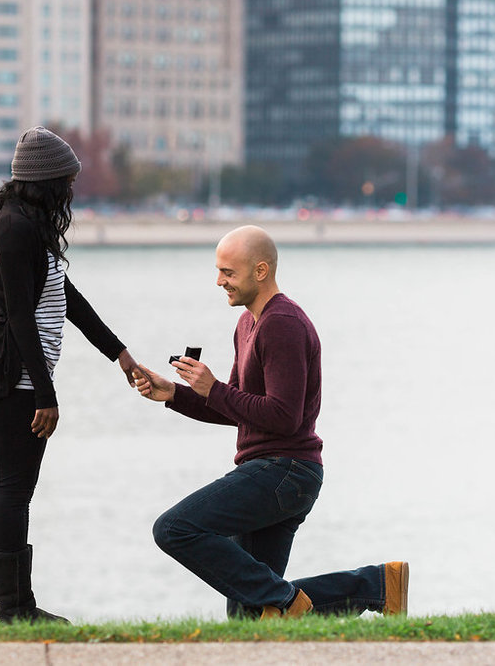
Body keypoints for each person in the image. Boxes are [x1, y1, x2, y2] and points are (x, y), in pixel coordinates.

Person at [133, 225, 408, 620]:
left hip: (284, 471)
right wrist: (176, 394)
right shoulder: (247, 323)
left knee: (174, 528)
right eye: (218, 271)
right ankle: (377, 586)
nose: (219, 281)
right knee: (250, 615)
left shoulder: (283, 324)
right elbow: (237, 407)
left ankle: (285, 600)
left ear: (260, 271)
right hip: (273, 471)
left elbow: (283, 416)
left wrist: (214, 387)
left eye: (228, 272)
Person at [0, 126, 140, 624]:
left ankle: (18, 607)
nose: (72, 189)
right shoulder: (16, 227)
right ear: (48, 182)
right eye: (67, 180)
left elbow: (67, 298)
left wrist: (120, 354)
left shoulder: (29, 222)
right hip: (13, 374)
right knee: (14, 487)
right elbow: (20, 316)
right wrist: (46, 395)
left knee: (17, 486)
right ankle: (13, 610)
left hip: (23, 374)